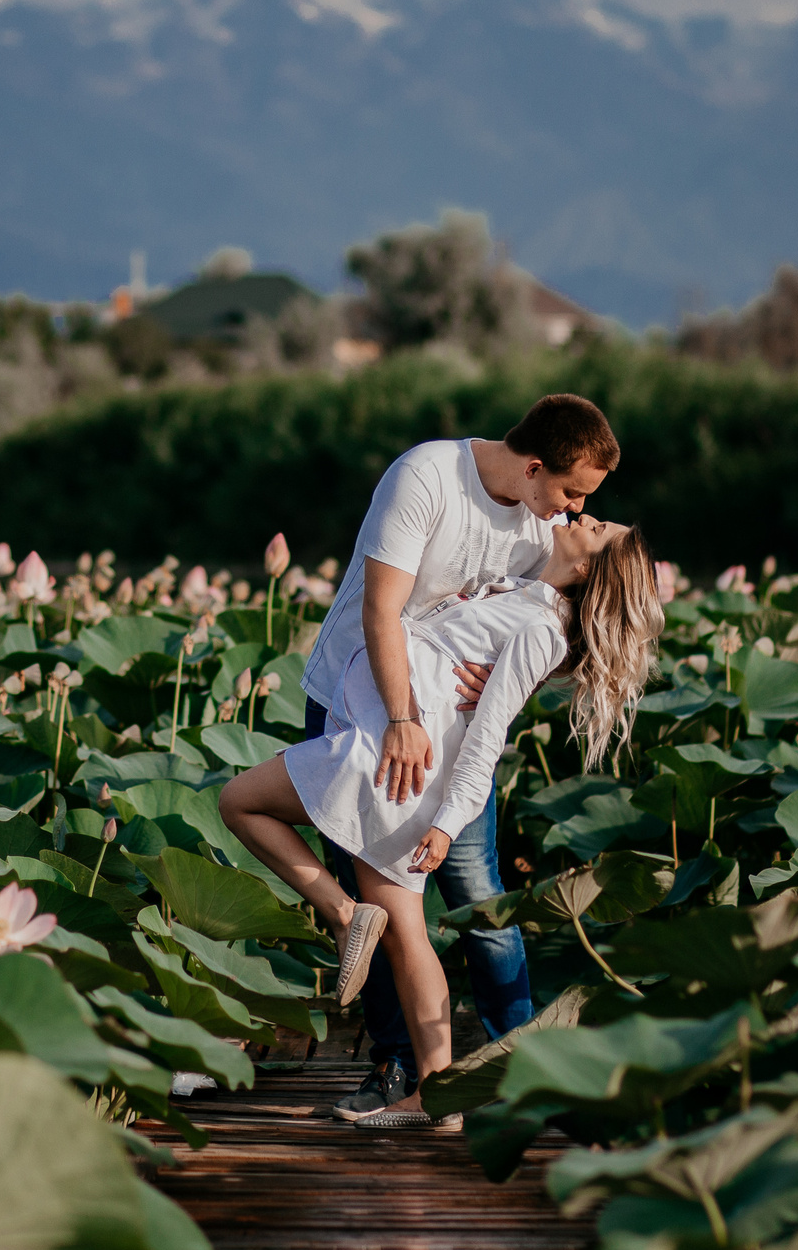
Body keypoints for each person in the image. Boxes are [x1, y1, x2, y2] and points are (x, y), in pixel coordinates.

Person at [221, 514, 662, 1125]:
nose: (584, 516)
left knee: (239, 802)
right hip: (386, 751)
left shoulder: (542, 628)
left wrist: (449, 824)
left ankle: (350, 919)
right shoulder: (524, 593)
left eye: (597, 527)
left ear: (587, 568)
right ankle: (437, 1097)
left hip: (393, 761)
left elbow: (488, 738)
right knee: (406, 935)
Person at [294, 393, 621, 1121]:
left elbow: (562, 622)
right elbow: (383, 610)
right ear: (535, 467)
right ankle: (399, 1065)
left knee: (479, 890)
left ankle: (521, 1070)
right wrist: (404, 714)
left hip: (448, 732)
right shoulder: (427, 477)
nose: (574, 511)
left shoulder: (548, 527)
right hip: (355, 696)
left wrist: (505, 687)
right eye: (572, 492)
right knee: (368, 887)